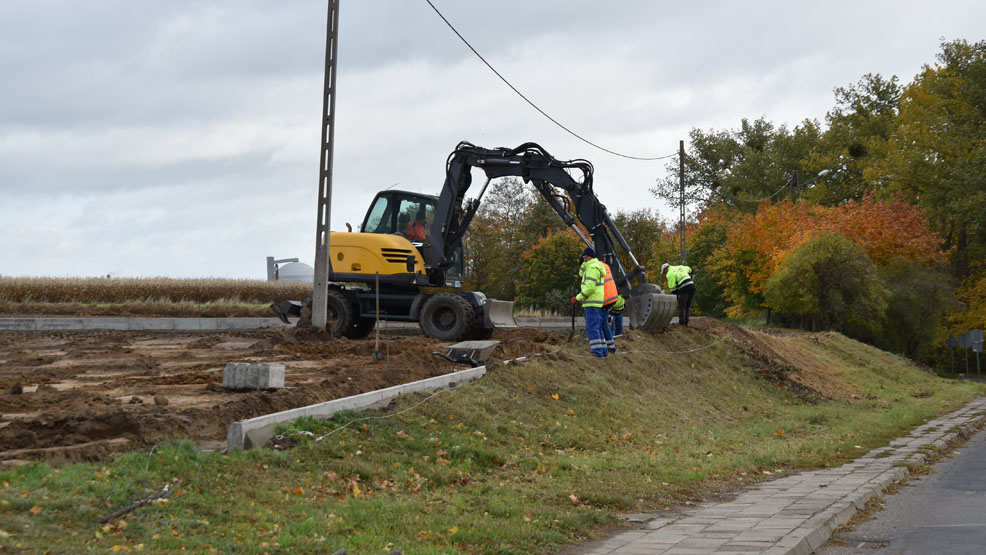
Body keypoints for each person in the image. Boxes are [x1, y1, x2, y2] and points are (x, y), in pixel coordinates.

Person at [571, 247, 609, 358]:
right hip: (596, 303)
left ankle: (597, 353)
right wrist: (583, 265)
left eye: (586, 257)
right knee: (597, 328)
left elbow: (589, 288)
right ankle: (603, 351)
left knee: (592, 328)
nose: (584, 260)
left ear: (591, 257)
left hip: (591, 303)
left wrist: (577, 298)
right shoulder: (594, 267)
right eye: (583, 258)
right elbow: (581, 274)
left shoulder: (592, 268)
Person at [661, 262, 695, 327]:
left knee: (681, 306)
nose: (665, 274)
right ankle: (686, 323)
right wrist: (691, 276)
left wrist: (676, 297)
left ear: (666, 269)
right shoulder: (680, 267)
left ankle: (681, 324)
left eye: (664, 272)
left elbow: (673, 288)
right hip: (691, 286)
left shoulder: (669, 274)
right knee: (687, 306)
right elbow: (690, 269)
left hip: (684, 287)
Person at [598, 260, 619, 353]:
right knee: (605, 324)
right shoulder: (605, 265)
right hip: (611, 298)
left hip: (604, 299)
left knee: (602, 324)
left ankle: (605, 346)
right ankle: (611, 346)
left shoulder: (595, 267)